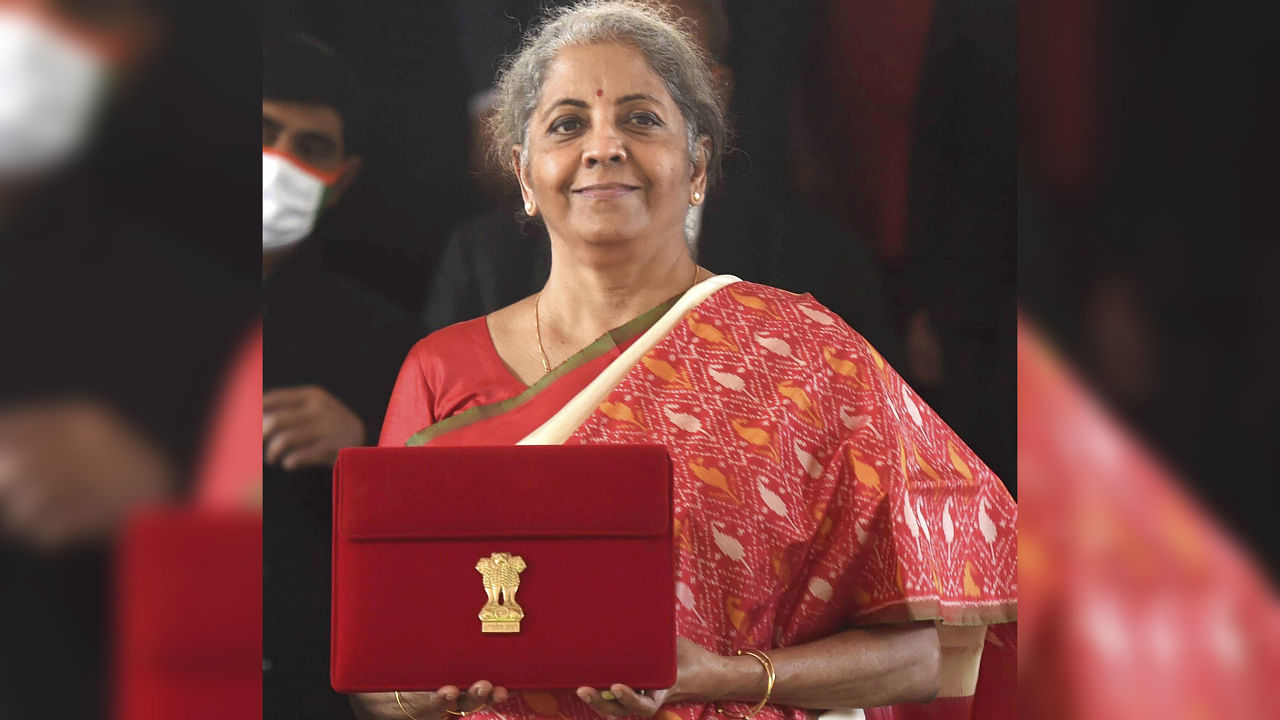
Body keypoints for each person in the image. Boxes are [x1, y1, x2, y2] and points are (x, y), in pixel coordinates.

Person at [355, 3, 1016, 720]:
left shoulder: (809, 355)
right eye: (567, 123)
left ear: (698, 164)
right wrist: (407, 699)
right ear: (523, 173)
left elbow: (925, 658)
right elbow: (378, 674)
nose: (603, 147)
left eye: (641, 120)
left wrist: (724, 676)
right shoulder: (438, 369)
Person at [425, 0, 902, 366]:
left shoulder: (823, 271)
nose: (606, 145)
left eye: (647, 102)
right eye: (575, 115)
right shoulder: (481, 267)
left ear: (715, 94)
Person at [262, 34, 422, 719]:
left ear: (344, 177)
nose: (280, 164)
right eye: (263, 132)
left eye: (310, 148)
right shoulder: (90, 292)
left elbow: (433, 537)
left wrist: (366, 453)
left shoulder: (387, 343)